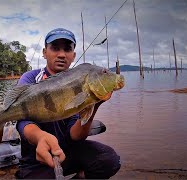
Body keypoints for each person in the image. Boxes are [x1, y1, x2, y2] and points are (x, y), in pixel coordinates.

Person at [15, 28, 121, 179]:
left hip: (68, 152)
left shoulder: (82, 82)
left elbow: (76, 135)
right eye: (55, 48)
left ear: (73, 55)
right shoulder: (31, 78)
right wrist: (39, 137)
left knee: (109, 160)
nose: (62, 54)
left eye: (67, 49)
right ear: (45, 52)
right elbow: (22, 120)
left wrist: (94, 104)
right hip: (36, 159)